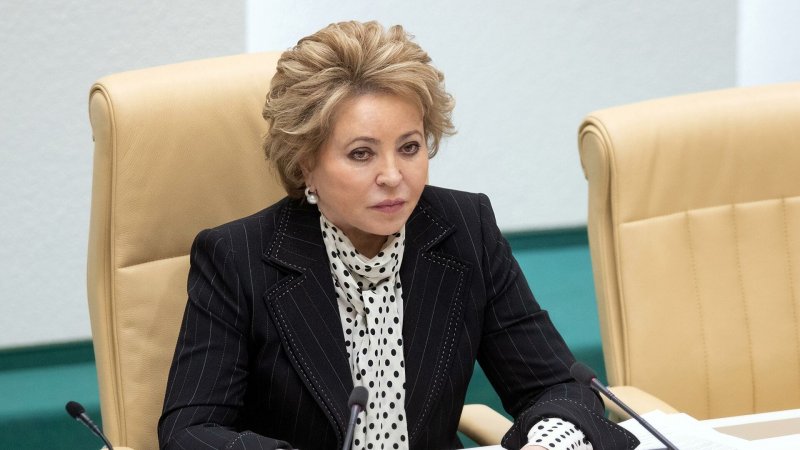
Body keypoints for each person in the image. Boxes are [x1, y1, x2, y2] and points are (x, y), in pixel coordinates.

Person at [158, 20, 638, 450]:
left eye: (409, 147)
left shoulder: (464, 229)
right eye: (361, 154)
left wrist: (549, 442)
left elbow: (557, 386)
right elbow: (191, 430)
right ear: (305, 163)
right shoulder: (237, 257)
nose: (393, 176)